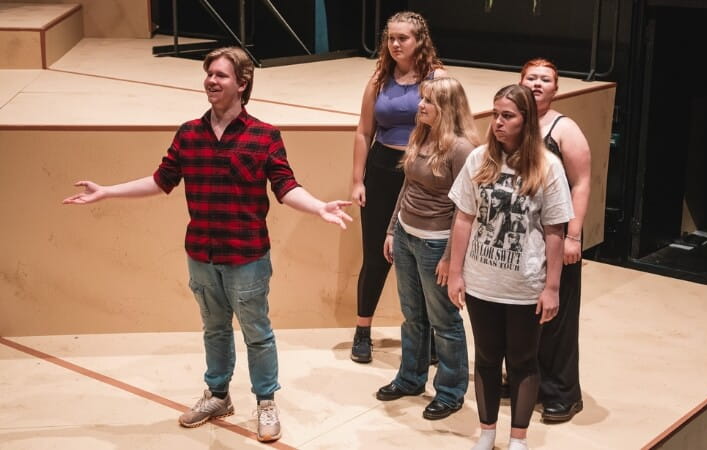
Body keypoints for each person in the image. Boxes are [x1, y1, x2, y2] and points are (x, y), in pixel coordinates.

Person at [62, 47, 352, 443]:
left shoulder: (264, 136)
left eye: (221, 75)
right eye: (209, 74)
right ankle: (218, 395)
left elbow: (285, 187)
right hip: (201, 254)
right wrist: (107, 192)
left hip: (247, 256)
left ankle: (266, 401)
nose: (211, 81)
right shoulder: (189, 134)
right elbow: (160, 180)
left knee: (257, 333)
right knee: (214, 330)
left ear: (242, 83)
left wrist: (319, 206)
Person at [447, 84, 573, 450]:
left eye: (508, 116)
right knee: (486, 358)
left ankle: (518, 439)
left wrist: (552, 287)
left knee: (522, 361)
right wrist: (456, 273)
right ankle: (487, 434)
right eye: (496, 114)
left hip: (524, 285)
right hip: (482, 280)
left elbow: (554, 231)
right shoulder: (479, 159)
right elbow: (464, 219)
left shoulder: (547, 166)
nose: (498, 123)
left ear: (526, 120)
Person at [376, 77, 479, 419]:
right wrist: (393, 230)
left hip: (436, 243)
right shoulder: (420, 134)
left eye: (429, 102)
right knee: (412, 316)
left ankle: (449, 392)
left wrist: (452, 258)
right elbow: (406, 185)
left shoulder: (462, 149)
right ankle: (410, 378)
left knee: (444, 321)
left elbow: (466, 209)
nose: (420, 106)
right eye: (422, 99)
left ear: (447, 108)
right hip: (407, 235)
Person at [349, 11, 447, 363]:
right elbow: (363, 131)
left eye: (402, 38)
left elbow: (448, 130)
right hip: (382, 170)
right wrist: (357, 180)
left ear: (420, 40)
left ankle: (431, 335)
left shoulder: (437, 78)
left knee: (424, 258)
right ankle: (362, 330)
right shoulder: (380, 78)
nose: (394, 44)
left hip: (421, 173)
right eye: (390, 38)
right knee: (375, 256)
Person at [520, 57, 591, 423]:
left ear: (555, 89)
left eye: (545, 79)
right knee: (524, 315)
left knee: (558, 318)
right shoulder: (513, 122)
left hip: (557, 237)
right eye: (530, 77)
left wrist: (573, 237)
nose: (537, 84)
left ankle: (563, 392)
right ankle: (526, 380)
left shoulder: (565, 129)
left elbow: (581, 183)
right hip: (523, 240)